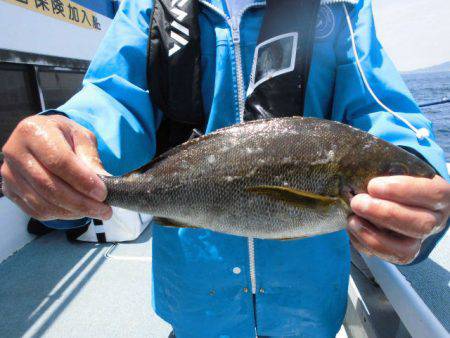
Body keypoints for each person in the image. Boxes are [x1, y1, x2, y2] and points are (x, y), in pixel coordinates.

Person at [2, 0, 449, 337]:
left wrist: (420, 184)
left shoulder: (339, 6)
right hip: (195, 305)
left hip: (308, 310)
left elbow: (383, 109)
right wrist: (65, 136)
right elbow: (112, 96)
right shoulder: (149, 6)